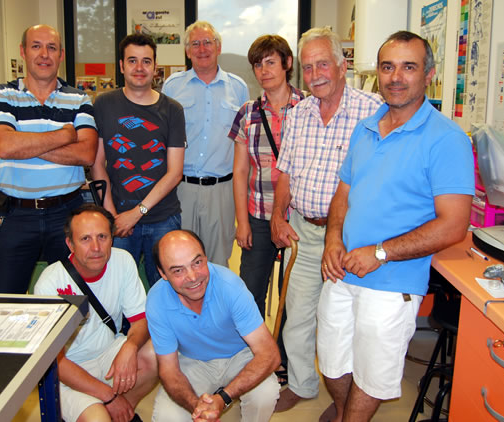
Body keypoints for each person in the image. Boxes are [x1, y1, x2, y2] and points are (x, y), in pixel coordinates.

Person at [319, 31, 474, 422]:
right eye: (388, 67)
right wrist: (332, 239)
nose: (396, 77)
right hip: (342, 271)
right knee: (333, 362)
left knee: (372, 377)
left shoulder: (447, 139)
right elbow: (343, 194)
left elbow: (454, 226)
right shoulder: (365, 128)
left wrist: (380, 253)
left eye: (409, 67)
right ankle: (342, 414)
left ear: (429, 75)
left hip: (392, 282)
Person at [270, 27, 383, 412]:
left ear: (341, 65)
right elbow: (284, 172)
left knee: (346, 324)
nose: (315, 73)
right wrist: (277, 216)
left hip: (351, 237)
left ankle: (349, 395)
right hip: (303, 231)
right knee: (297, 317)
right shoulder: (298, 113)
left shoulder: (373, 110)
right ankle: (302, 384)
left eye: (322, 64)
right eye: (307, 67)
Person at [0, 24, 97, 294]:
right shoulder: (3, 95)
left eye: (51, 47)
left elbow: (86, 154)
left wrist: (25, 142)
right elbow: (4, 145)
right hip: (16, 215)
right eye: (36, 46)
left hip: (67, 213)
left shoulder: (79, 98)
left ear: (61, 54)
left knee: (75, 297)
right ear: (23, 52)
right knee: (5, 297)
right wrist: (64, 134)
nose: (44, 54)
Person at [228, 34, 304, 387]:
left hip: (298, 219)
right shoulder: (248, 112)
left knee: (294, 294)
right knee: (250, 290)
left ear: (287, 63)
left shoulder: (309, 106)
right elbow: (241, 170)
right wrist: (242, 221)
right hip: (258, 216)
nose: (264, 70)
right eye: (258, 63)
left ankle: (285, 361)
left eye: (271, 61)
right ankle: (256, 357)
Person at [34, 204, 158, 422]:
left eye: (102, 236)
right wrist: (108, 396)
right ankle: (107, 408)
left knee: (158, 353)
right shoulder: (50, 282)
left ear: (112, 238)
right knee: (97, 419)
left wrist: (130, 346)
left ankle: (123, 412)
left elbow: (141, 320)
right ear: (69, 244)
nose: (96, 247)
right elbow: (55, 361)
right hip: (68, 372)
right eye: (85, 239)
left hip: (108, 353)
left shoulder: (123, 261)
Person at [146, 230, 280, 422]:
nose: (192, 277)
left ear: (206, 258)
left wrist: (222, 399)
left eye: (197, 262)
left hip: (239, 356)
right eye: (178, 270)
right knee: (167, 417)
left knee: (265, 394)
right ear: (162, 273)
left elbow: (270, 354)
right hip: (193, 361)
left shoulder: (230, 287)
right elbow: (169, 370)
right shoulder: (156, 300)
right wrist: (197, 408)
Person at [91, 33, 185, 286]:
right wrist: (111, 215)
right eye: (132, 61)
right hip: (117, 220)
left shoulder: (172, 110)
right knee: (117, 292)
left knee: (166, 293)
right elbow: (97, 164)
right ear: (121, 66)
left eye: (146, 61)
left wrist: (137, 212)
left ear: (155, 67)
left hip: (163, 219)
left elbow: (175, 172)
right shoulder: (103, 105)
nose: (139, 68)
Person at [161, 21, 249, 267]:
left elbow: (244, 145)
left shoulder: (238, 88)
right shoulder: (172, 86)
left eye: (207, 42)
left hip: (222, 192)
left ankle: (215, 307)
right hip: (181, 189)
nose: (202, 49)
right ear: (187, 51)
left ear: (218, 47)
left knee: (218, 263)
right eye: (195, 44)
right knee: (179, 260)